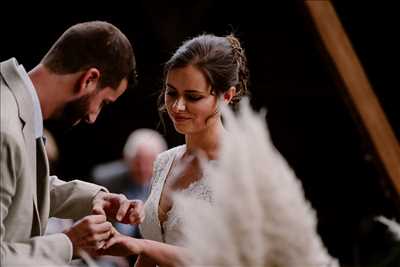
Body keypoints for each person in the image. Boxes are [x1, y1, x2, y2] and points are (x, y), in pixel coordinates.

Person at [0, 21, 144, 265]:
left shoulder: (14, 108)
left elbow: (22, 189)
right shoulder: (5, 129)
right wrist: (69, 244)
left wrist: (95, 199)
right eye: (104, 102)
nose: (93, 117)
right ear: (89, 79)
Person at [98, 33, 249, 266]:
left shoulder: (242, 167)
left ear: (226, 96)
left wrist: (139, 244)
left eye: (193, 96)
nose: (178, 106)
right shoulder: (164, 161)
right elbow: (149, 253)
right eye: (172, 93)